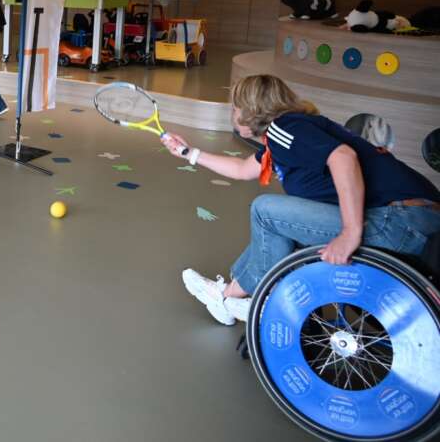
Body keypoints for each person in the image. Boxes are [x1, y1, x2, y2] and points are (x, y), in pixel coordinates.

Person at [167, 74, 440, 325]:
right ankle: (228, 296)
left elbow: (343, 157)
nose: (233, 113)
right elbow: (242, 169)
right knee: (280, 221)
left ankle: (243, 298)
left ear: (251, 110)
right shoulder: (286, 135)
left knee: (265, 210)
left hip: (402, 221)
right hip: (408, 219)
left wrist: (350, 233)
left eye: (236, 107)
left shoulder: (285, 128)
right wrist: (188, 153)